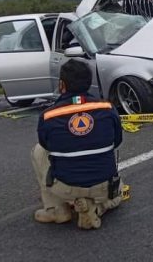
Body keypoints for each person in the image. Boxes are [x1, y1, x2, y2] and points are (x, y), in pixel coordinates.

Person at [32, 59, 123, 229]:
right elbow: (117, 141)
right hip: (103, 186)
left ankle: (56, 209)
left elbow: (45, 145)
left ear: (61, 84)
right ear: (89, 83)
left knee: (38, 151)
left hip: (66, 187)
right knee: (119, 191)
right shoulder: (107, 108)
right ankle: (96, 207)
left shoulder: (48, 116)